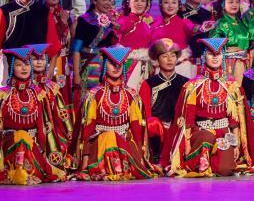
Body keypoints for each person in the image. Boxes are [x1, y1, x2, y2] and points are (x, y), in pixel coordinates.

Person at [164, 37, 254, 177]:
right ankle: (198, 161)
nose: (215, 57)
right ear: (204, 56)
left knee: (225, 169)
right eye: (210, 54)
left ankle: (213, 161)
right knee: (206, 137)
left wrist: (236, 143)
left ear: (223, 56)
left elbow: (234, 120)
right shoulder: (193, 86)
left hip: (223, 133)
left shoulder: (231, 86)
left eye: (218, 54)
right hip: (200, 133)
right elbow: (188, 120)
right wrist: (188, 146)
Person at [72, 45, 160, 180]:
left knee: (117, 139)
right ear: (104, 66)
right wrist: (85, 159)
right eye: (112, 63)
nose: (116, 67)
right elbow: (88, 128)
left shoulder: (131, 95)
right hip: (101, 143)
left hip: (124, 141)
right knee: (110, 137)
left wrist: (140, 158)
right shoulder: (94, 95)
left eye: (119, 64)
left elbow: (136, 128)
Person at [0, 46, 66, 185]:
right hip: (9, 145)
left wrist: (44, 151)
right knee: (21, 137)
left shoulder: (38, 94)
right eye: (19, 65)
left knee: (25, 138)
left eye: (27, 64)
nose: (24, 68)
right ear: (12, 68)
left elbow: (43, 127)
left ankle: (29, 171)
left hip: (32, 145)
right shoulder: (4, 95)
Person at [139, 38, 189, 166]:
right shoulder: (148, 84)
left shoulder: (186, 83)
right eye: (165, 56)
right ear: (157, 59)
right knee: (151, 123)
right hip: (157, 131)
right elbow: (145, 113)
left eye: (173, 56)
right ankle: (156, 158)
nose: (169, 59)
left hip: (178, 129)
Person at [26, 44, 73, 168]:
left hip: (52, 132)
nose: (39, 62)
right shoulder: (26, 88)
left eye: (42, 59)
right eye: (35, 59)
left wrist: (69, 133)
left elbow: (62, 114)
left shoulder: (52, 87)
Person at [70, 0, 119, 95]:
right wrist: (76, 75)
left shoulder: (110, 22)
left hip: (106, 67)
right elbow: (76, 49)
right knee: (89, 97)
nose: (108, 3)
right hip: (89, 65)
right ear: (94, 1)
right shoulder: (84, 20)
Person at [115, 0, 156, 91]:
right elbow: (118, 30)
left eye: (142, 1)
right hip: (129, 66)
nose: (139, 3)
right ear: (129, 2)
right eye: (135, 0)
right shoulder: (124, 20)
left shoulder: (147, 23)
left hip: (145, 66)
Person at [209, 0, 250, 81]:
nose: (234, 5)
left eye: (237, 2)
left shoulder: (242, 22)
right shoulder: (220, 24)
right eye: (231, 2)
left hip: (245, 62)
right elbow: (213, 46)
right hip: (228, 65)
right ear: (223, 4)